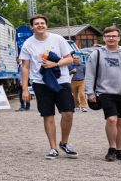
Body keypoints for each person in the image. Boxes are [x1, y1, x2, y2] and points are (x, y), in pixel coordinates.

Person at [18, 15, 78, 159]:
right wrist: (25, 89)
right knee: (48, 115)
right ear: (32, 27)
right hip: (40, 83)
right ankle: (53, 148)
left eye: (42, 23)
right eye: (36, 24)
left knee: (68, 113)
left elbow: (69, 59)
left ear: (46, 25)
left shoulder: (58, 39)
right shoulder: (28, 44)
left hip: (61, 80)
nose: (40, 25)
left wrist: (55, 64)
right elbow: (25, 67)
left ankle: (64, 143)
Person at [85, 25, 121, 161]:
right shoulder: (96, 54)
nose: (111, 38)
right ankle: (111, 148)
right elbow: (90, 74)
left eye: (114, 36)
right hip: (105, 92)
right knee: (111, 119)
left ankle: (119, 150)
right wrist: (90, 93)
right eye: (108, 36)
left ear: (119, 38)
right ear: (104, 38)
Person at [70, 45, 88, 113]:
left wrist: (86, 81)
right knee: (75, 96)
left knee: (82, 94)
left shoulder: (83, 66)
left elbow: (86, 73)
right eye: (74, 58)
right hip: (73, 82)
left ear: (79, 59)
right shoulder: (70, 66)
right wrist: (71, 71)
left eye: (77, 58)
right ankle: (77, 107)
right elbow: (66, 74)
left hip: (81, 81)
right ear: (72, 59)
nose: (76, 59)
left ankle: (83, 107)